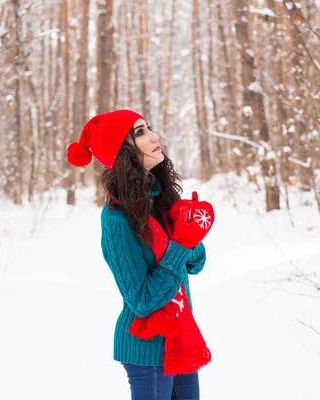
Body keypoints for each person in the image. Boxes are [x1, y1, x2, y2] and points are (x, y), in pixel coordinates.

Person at [67, 109, 214, 400]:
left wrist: (191, 230)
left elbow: (195, 264)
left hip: (180, 340)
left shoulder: (161, 198)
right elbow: (143, 300)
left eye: (148, 127)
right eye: (140, 132)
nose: (154, 135)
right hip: (146, 349)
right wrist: (181, 245)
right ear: (123, 152)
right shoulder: (116, 220)